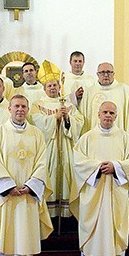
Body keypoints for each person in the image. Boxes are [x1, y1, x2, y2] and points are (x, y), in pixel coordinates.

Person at [0, 94, 53, 256]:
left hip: (27, 195)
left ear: (28, 110)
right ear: (9, 109)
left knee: (24, 233)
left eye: (23, 107)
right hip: (5, 196)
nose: (20, 110)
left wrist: (31, 185)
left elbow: (42, 162)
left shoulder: (36, 134)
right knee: (3, 229)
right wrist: (8, 186)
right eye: (16, 106)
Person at [70, 101, 129, 256]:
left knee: (115, 229)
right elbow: (77, 163)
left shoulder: (126, 139)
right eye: (105, 112)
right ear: (98, 114)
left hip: (116, 193)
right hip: (94, 194)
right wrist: (98, 167)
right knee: (94, 230)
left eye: (112, 112)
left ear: (116, 116)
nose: (108, 116)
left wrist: (116, 167)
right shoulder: (86, 138)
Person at [28, 79, 84, 218]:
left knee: (67, 173)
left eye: (55, 85)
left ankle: (65, 214)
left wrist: (67, 118)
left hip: (65, 145)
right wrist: (55, 118)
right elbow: (36, 122)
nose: (52, 88)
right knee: (49, 172)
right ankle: (49, 214)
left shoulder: (68, 105)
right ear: (44, 89)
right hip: (48, 146)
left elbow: (79, 121)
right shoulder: (38, 105)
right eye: (49, 85)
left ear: (59, 87)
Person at [78, 62, 129, 136]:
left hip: (119, 137)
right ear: (97, 74)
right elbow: (82, 118)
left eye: (108, 72)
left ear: (113, 74)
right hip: (94, 138)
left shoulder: (124, 90)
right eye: (102, 72)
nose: (105, 75)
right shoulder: (89, 92)